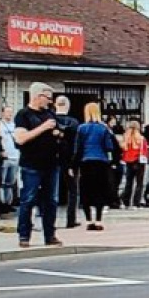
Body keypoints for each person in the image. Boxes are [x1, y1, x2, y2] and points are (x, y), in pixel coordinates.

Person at [13, 82, 63, 248]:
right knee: (28, 199)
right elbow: (20, 138)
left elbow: (57, 131)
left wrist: (58, 133)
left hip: (51, 163)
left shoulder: (50, 113)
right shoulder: (23, 115)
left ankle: (50, 235)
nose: (49, 101)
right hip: (31, 164)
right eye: (47, 98)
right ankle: (24, 235)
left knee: (51, 201)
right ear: (37, 96)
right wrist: (43, 128)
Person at [75, 102, 119, 230]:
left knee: (86, 191)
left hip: (86, 161)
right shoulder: (103, 128)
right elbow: (109, 146)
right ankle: (99, 220)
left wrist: (74, 165)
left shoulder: (81, 128)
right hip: (101, 161)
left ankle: (89, 221)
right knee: (100, 191)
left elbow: (78, 148)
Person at [53, 96, 81, 228]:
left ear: (55, 105)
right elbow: (76, 144)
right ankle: (71, 220)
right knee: (72, 190)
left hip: (51, 159)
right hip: (68, 159)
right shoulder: (74, 123)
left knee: (50, 189)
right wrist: (73, 163)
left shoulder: (49, 120)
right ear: (68, 106)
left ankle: (49, 220)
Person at [120, 120, 148, 209]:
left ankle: (126, 202)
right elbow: (145, 152)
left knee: (129, 183)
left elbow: (123, 150)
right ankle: (136, 203)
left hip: (128, 162)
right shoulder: (141, 138)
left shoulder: (126, 138)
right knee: (139, 183)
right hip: (139, 162)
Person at [0, 106, 21, 212]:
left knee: (10, 182)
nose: (9, 114)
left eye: (11, 112)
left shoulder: (15, 125)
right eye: (7, 112)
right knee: (1, 181)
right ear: (2, 113)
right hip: (5, 156)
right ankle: (1, 203)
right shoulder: (0, 125)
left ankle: (8, 203)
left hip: (15, 155)